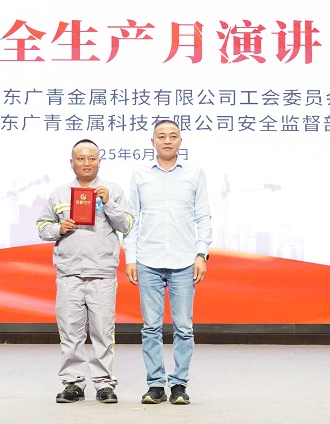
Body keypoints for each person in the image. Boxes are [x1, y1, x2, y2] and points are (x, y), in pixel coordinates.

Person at [36, 139, 132, 405]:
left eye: (91, 158)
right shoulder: (59, 193)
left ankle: (104, 384)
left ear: (99, 161)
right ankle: (73, 383)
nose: (86, 163)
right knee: (71, 332)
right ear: (72, 163)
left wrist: (108, 203)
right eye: (81, 159)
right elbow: (42, 226)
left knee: (103, 332)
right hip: (69, 274)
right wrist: (59, 228)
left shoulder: (113, 190)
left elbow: (126, 224)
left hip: (102, 274)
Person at [125, 120, 212, 406]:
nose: (167, 141)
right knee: (151, 327)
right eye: (161, 136)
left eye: (173, 136)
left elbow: (203, 217)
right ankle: (155, 385)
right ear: (152, 142)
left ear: (180, 141)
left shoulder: (194, 173)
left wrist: (201, 254)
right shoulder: (140, 175)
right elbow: (132, 220)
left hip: (184, 260)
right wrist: (130, 258)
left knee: (184, 327)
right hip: (148, 260)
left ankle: (179, 385)